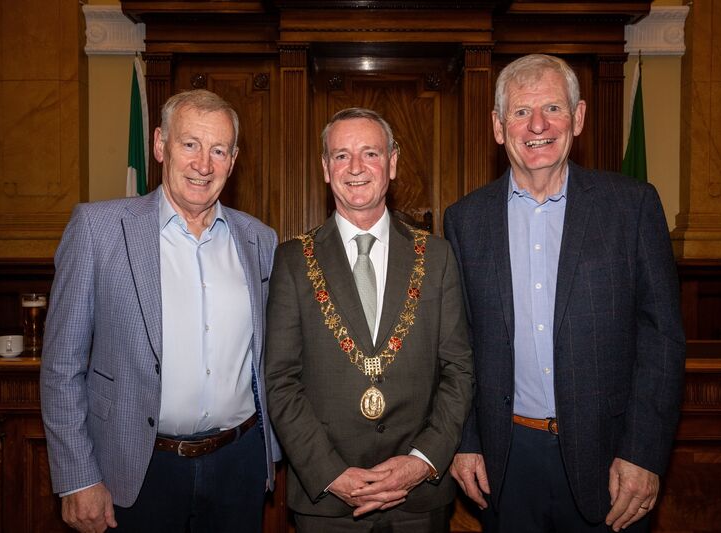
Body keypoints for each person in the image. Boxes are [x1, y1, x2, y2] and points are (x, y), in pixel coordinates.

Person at [443, 54, 685, 532]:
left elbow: (662, 340)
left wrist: (643, 452)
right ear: (498, 127)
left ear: (578, 117)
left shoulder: (632, 207)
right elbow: (458, 344)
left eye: (552, 108)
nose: (538, 125)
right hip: (506, 461)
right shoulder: (465, 220)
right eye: (520, 111)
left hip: (612, 460)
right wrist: (467, 441)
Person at [40, 89, 279, 533]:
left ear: (233, 160)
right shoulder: (98, 229)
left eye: (219, 150)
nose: (203, 164)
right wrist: (77, 477)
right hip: (136, 468)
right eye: (190, 144)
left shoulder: (259, 240)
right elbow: (61, 366)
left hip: (238, 466)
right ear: (159, 145)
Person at [265, 107, 473, 532]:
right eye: (341, 155)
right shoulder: (292, 260)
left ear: (392, 163)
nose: (356, 167)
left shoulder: (436, 257)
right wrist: (331, 473)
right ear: (326, 168)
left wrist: (422, 462)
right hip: (326, 504)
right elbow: (280, 380)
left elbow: (459, 370)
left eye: (370, 153)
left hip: (419, 501)